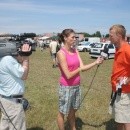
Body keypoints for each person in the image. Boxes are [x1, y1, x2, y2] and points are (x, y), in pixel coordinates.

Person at [56, 29, 104, 130]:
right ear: (65, 38)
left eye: (75, 37)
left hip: (76, 86)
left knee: (73, 111)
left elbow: (83, 67)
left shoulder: (75, 51)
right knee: (62, 112)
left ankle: (73, 128)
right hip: (66, 88)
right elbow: (68, 75)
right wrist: (79, 69)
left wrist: (95, 62)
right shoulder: (61, 53)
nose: (75, 39)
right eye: (72, 37)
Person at [0, 43, 31, 130]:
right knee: (18, 126)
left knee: (5, 125)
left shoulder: (2, 59)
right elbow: (24, 75)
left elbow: (18, 60)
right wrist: (26, 59)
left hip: (5, 98)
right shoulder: (8, 59)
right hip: (12, 102)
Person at [109, 24, 130, 130]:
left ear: (119, 36)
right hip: (117, 90)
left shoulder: (127, 50)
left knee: (126, 121)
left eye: (111, 35)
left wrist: (128, 81)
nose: (109, 38)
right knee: (119, 119)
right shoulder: (118, 48)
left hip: (124, 93)